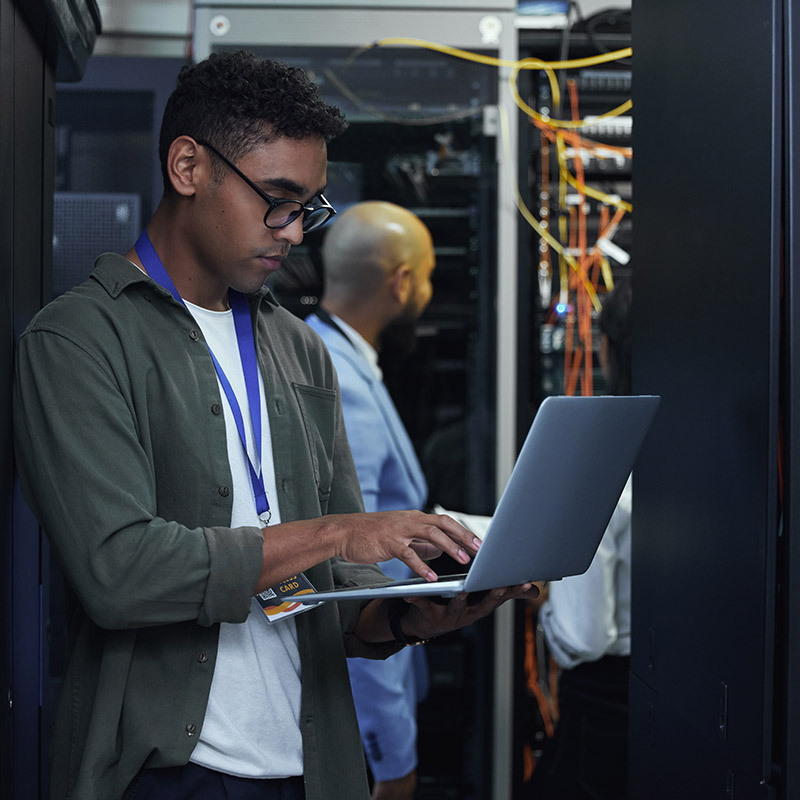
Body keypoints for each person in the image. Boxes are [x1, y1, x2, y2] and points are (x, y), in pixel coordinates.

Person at [12, 51, 538, 800]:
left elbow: (331, 598)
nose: (294, 232)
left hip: (311, 770)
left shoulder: (297, 347)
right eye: (278, 200)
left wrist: (413, 615)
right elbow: (119, 574)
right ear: (188, 166)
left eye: (310, 207)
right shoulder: (79, 341)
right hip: (168, 777)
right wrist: (336, 533)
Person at [306, 201, 434, 800]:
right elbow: (363, 576)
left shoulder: (336, 360)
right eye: (428, 277)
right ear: (401, 282)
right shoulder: (339, 381)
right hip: (361, 715)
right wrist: (392, 755)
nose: (429, 292)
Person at [529, 277, 633, 799]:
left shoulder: (596, 467)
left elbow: (584, 637)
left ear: (609, 349)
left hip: (609, 713)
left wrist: (545, 599)